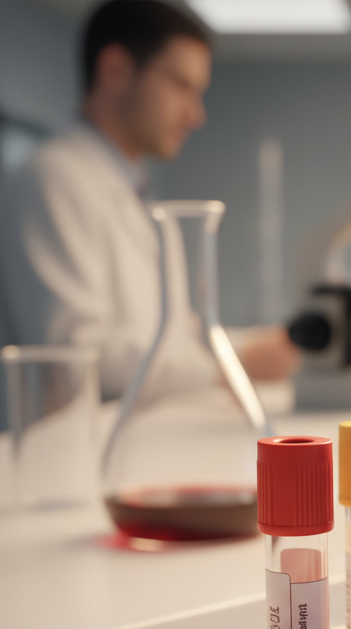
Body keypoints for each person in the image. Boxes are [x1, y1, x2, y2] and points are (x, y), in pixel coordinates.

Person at [0, 0, 298, 401]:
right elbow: (80, 358)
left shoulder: (132, 192)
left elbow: (171, 335)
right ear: (115, 71)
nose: (196, 115)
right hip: (84, 451)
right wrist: (235, 363)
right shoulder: (53, 178)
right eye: (182, 86)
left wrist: (265, 344)